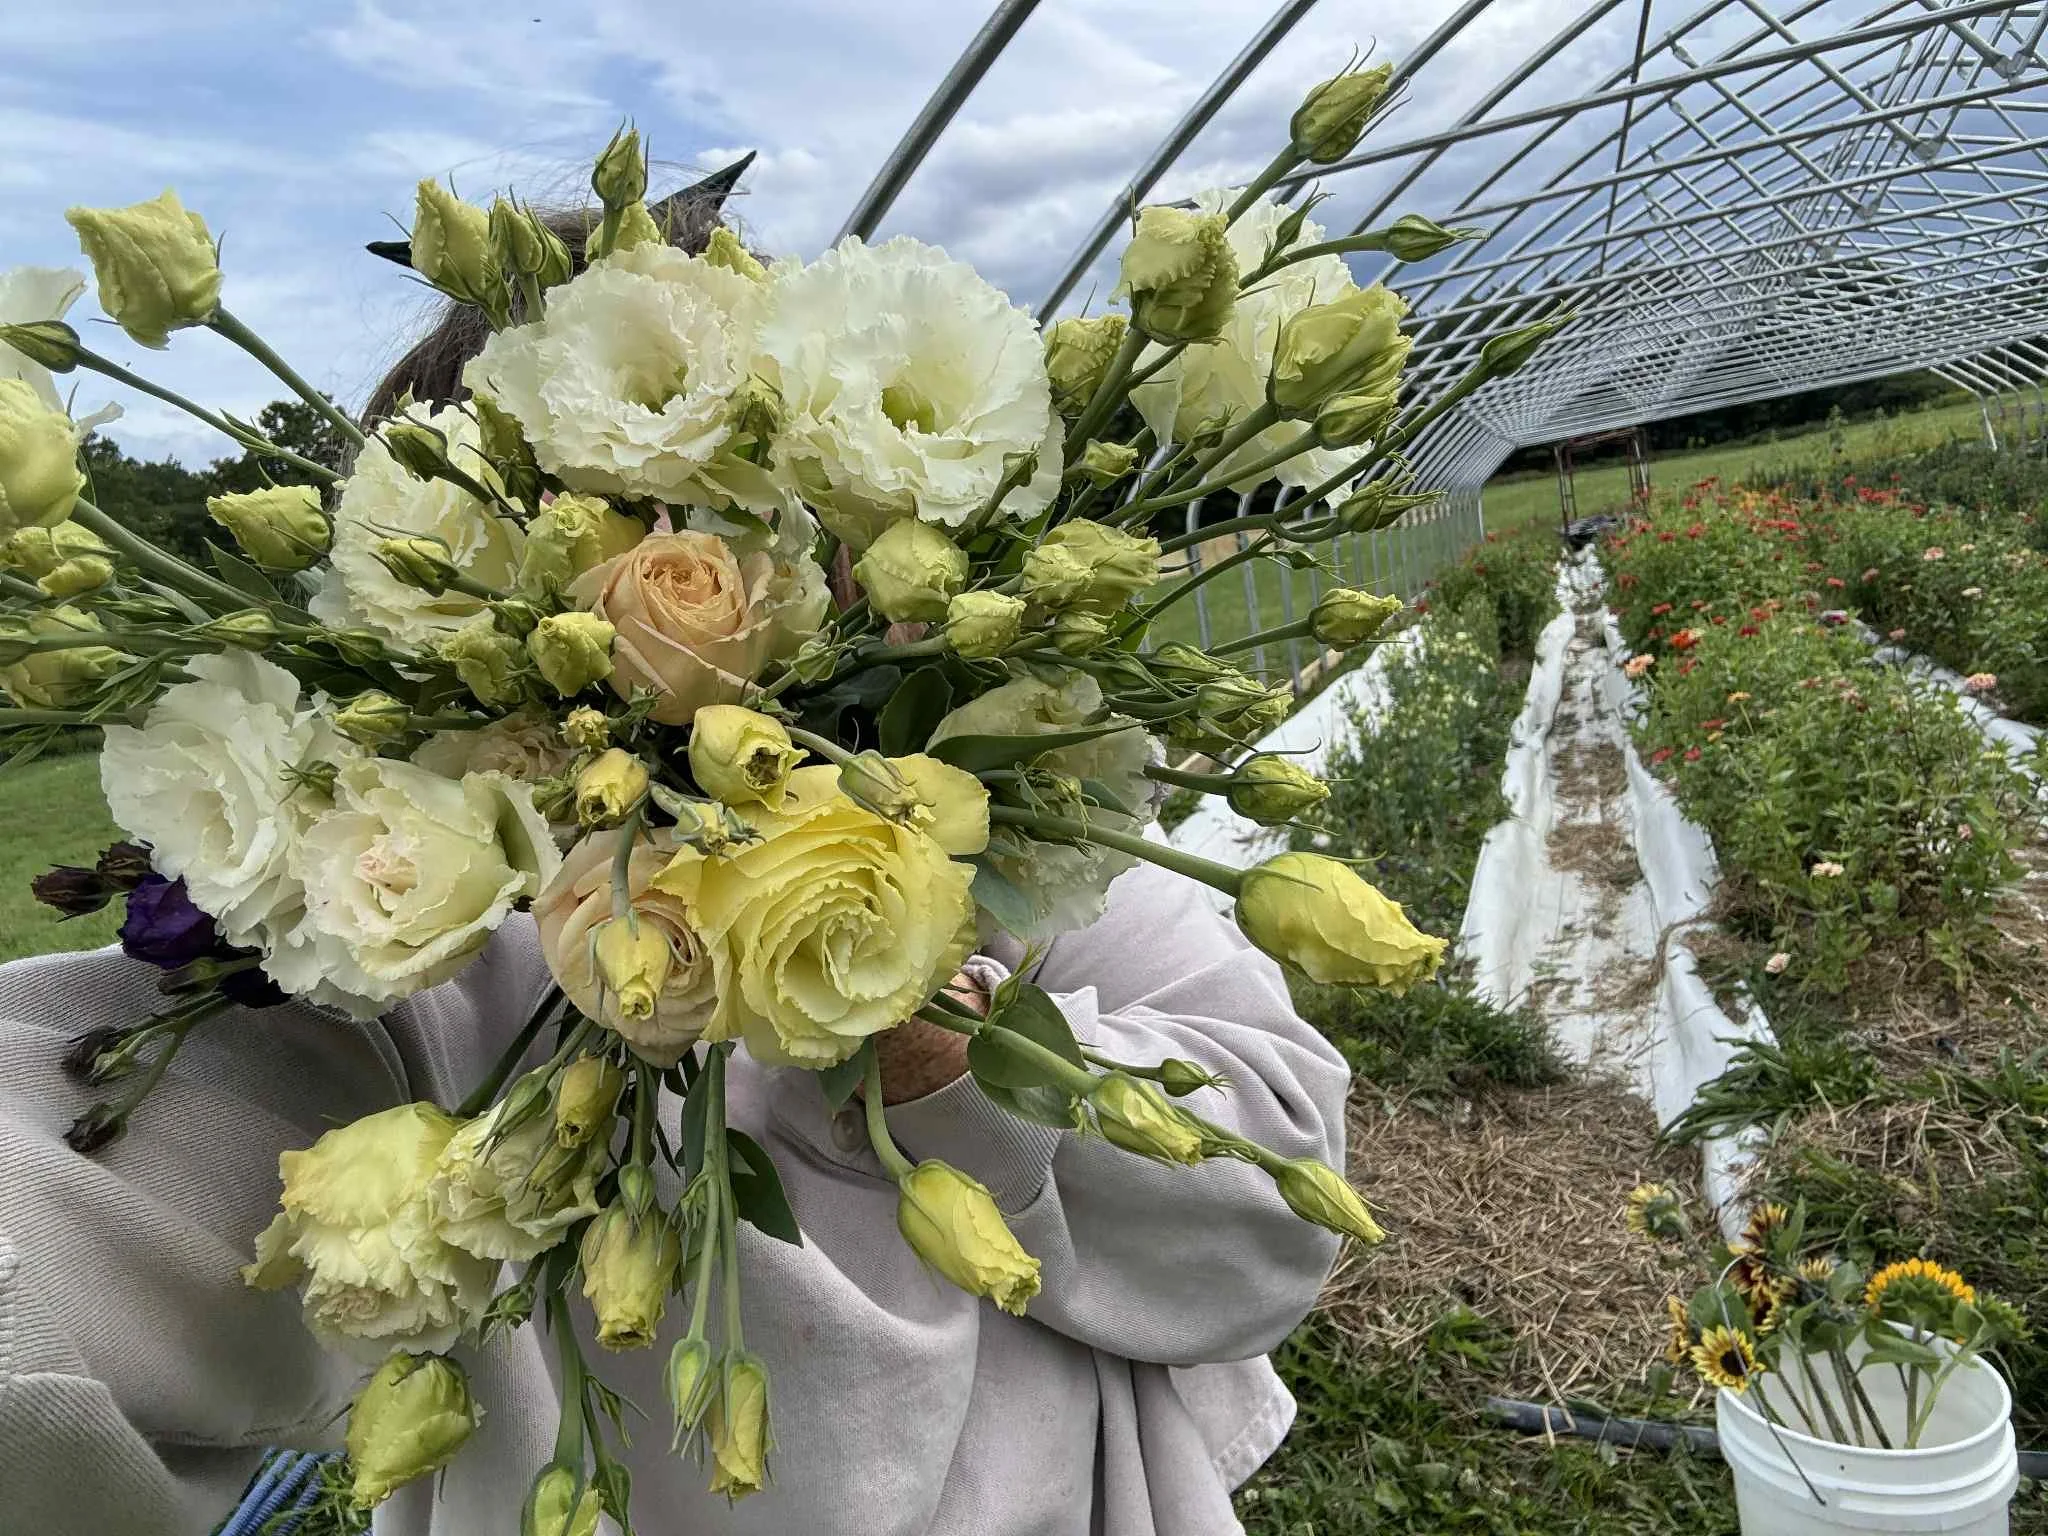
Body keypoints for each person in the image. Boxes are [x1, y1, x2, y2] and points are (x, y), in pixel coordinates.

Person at [0, 172, 1350, 1536]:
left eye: (719, 518)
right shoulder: (411, 940)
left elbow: (1275, 1225)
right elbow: (59, 1195)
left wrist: (923, 1022)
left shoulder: (1023, 812)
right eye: (569, 546)